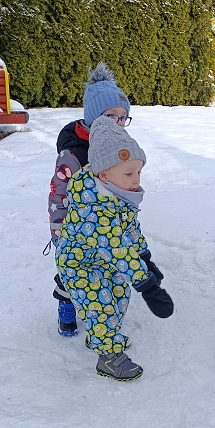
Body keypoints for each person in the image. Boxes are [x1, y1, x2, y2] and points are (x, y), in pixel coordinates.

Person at [55, 116, 173, 380]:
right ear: (104, 173)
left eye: (139, 172)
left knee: (120, 295)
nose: (136, 179)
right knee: (102, 305)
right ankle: (108, 357)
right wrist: (147, 284)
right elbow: (117, 247)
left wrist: (145, 257)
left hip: (105, 259)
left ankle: (101, 335)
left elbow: (129, 229)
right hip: (80, 265)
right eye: (129, 173)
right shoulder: (93, 209)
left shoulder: (118, 194)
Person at [49, 62, 133, 336]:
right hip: (74, 227)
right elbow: (58, 193)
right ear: (93, 115)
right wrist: (58, 229)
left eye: (123, 118)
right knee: (73, 268)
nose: (118, 123)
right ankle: (67, 305)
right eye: (111, 116)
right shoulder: (73, 154)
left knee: (104, 268)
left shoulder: (120, 146)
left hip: (107, 225)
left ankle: (101, 310)